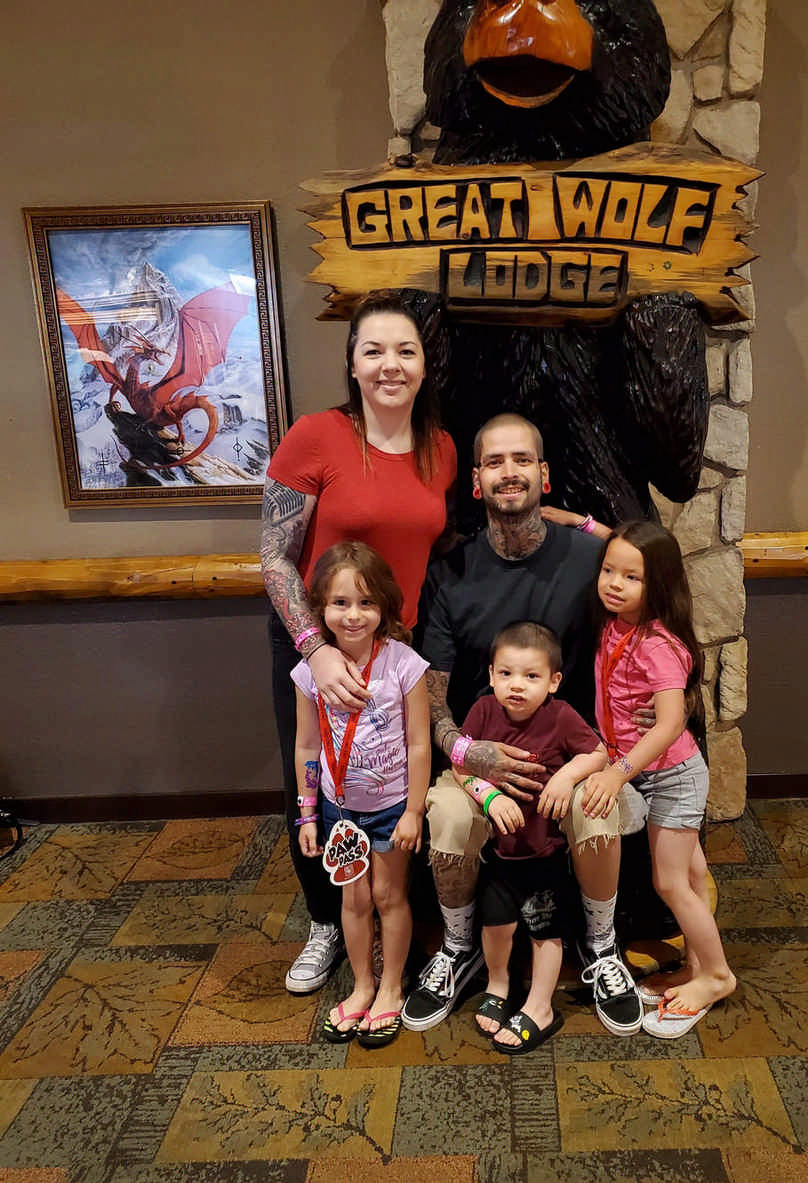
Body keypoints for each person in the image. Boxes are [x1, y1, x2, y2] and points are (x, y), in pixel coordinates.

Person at [401, 412, 646, 1037]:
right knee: (452, 816)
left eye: (521, 460)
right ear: (477, 482)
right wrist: (464, 750)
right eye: (493, 462)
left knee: (597, 809)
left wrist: (666, 695)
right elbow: (429, 687)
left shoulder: (592, 559)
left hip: (574, 756)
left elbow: (657, 593)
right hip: (480, 752)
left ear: (543, 474)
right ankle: (458, 949)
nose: (508, 472)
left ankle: (600, 944)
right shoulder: (451, 571)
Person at [261, 292, 456, 996]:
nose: (389, 365)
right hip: (316, 641)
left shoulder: (442, 449)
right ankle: (324, 920)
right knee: (318, 784)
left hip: (395, 651)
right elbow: (274, 557)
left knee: (398, 786)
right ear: (351, 363)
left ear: (426, 364)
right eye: (373, 350)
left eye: (405, 350)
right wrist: (314, 648)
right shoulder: (314, 436)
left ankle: (398, 918)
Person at [581, 521, 737, 1038]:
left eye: (631, 577)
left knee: (669, 881)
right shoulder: (619, 624)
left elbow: (671, 723)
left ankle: (716, 975)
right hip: (653, 772)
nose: (614, 583)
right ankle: (697, 965)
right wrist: (577, 523)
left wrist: (618, 772)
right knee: (691, 878)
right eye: (608, 571)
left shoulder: (655, 644)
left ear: (659, 583)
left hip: (671, 776)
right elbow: (626, 542)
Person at [291, 542, 430, 1048]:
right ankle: (363, 986)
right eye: (340, 603)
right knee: (353, 902)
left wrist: (414, 810)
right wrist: (308, 815)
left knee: (390, 898)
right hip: (339, 812)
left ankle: (391, 986)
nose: (353, 615)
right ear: (320, 610)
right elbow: (306, 744)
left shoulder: (404, 665)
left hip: (392, 808)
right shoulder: (310, 671)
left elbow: (418, 742)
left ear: (385, 607)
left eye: (367, 603)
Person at [456, 622, 608, 1055]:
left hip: (545, 853)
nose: (516, 686)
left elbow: (598, 753)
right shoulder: (483, 711)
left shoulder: (559, 717)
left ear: (554, 681)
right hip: (501, 854)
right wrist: (485, 797)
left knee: (546, 930)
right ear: (490, 674)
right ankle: (499, 984)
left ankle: (541, 1005)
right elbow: (460, 764)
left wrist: (566, 777)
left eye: (530, 676)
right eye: (505, 674)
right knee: (496, 925)